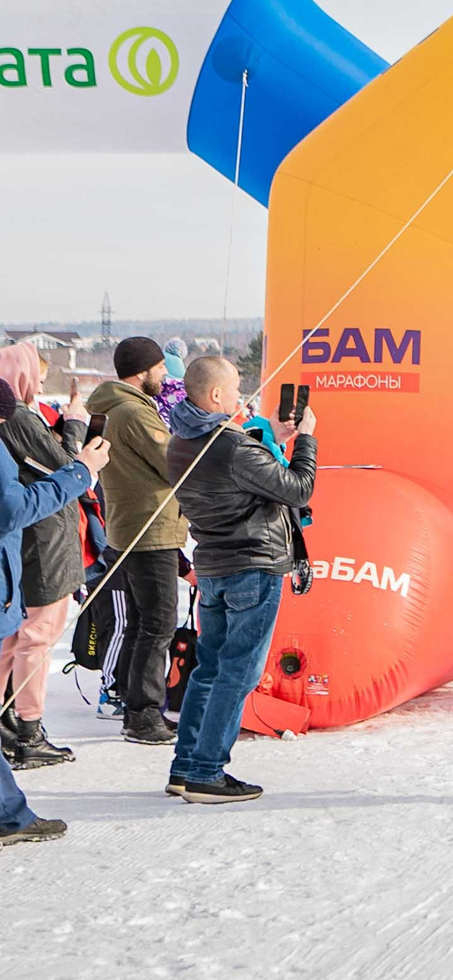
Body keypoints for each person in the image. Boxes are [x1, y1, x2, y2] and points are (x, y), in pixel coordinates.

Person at [162, 355, 318, 803]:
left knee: (209, 669)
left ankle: (186, 765)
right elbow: (297, 488)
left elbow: (250, 472)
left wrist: (273, 435)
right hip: (253, 565)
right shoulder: (230, 445)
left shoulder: (182, 441)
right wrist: (305, 440)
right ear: (214, 396)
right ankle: (207, 772)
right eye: (234, 390)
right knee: (238, 673)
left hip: (213, 568)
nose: (239, 397)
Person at [0, 419, 108, 844]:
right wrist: (81, 469)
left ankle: (10, 813)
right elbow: (14, 509)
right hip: (30, 569)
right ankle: (26, 733)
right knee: (34, 640)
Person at [86, 335, 190, 744]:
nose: (165, 376)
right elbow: (173, 463)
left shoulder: (111, 406)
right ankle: (143, 713)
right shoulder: (133, 412)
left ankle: (135, 704)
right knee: (159, 621)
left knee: (143, 621)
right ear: (141, 371)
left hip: (129, 526)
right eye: (161, 368)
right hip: (151, 530)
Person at [1, 346, 87, 768]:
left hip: (31, 540)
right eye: (38, 374)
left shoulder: (16, 415)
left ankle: (10, 721)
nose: (39, 383)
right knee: (37, 635)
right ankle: (28, 728)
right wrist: (74, 427)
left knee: (15, 634)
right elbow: (67, 467)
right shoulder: (16, 416)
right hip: (45, 540)